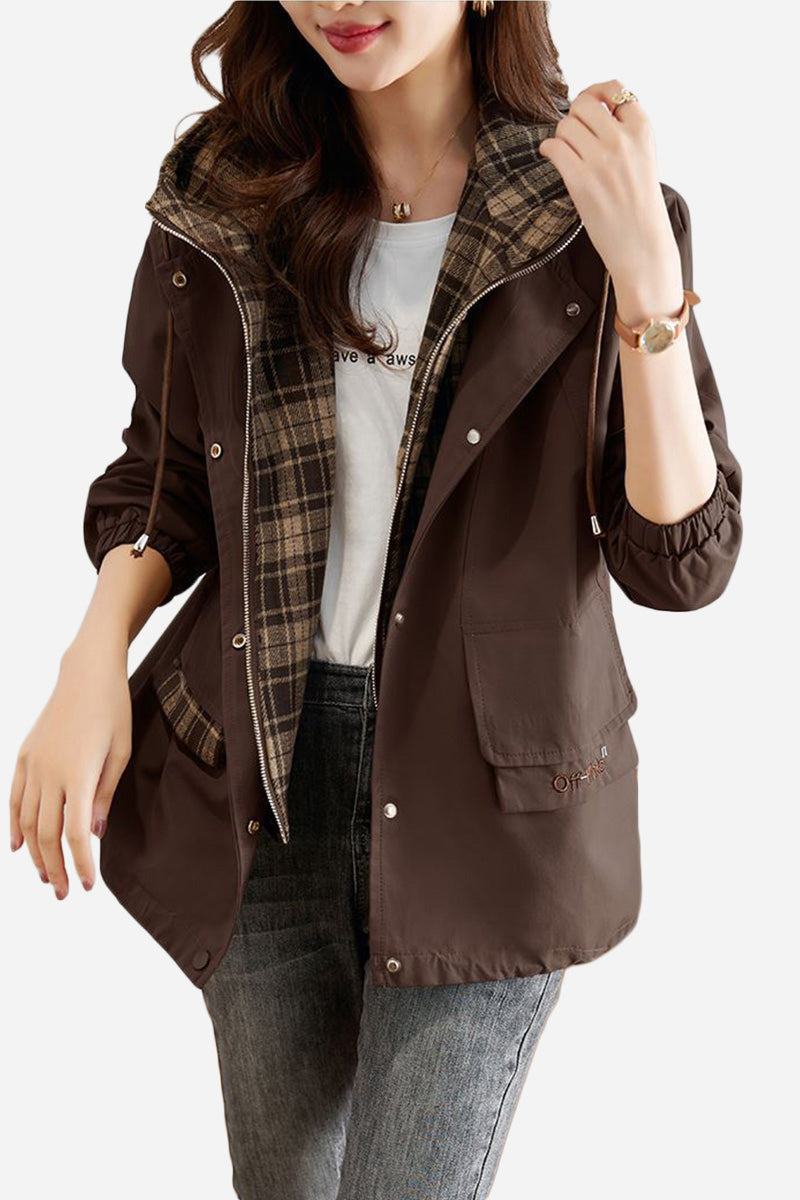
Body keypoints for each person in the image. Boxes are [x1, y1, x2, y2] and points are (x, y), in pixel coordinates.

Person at [8, 3, 743, 1197]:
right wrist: (89, 660)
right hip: (263, 777)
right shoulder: (229, 192)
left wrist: (644, 280)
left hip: (484, 803)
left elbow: (677, 561)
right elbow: (162, 479)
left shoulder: (583, 206)